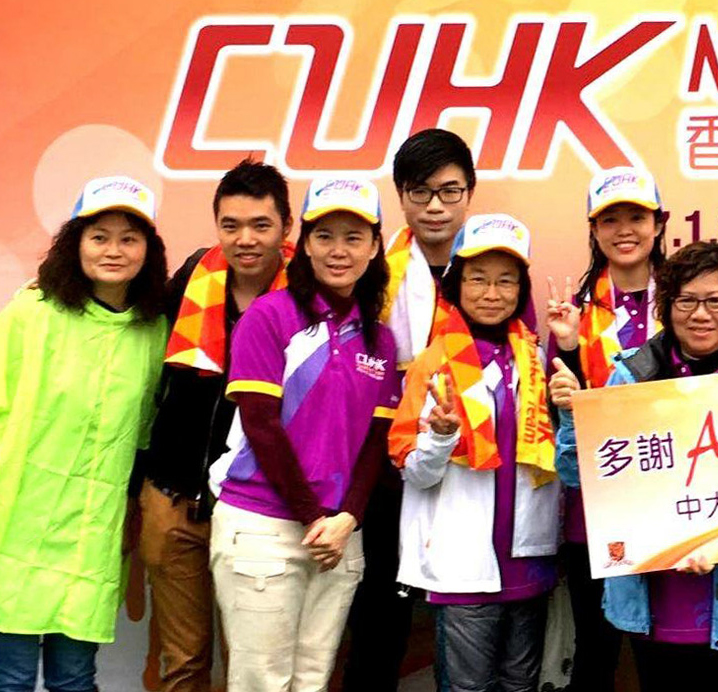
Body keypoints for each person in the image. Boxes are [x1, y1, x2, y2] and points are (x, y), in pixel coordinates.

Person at [546, 167, 718, 691]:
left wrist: (717, 536)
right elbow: (581, 467)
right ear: (668, 307)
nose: (701, 314)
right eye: (687, 302)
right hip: (632, 552)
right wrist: (572, 410)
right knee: (612, 663)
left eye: (716, 302)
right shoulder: (616, 351)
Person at [208, 177, 400, 692]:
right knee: (261, 683)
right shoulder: (270, 316)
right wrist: (315, 518)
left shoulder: (380, 338)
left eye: (354, 237)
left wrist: (347, 519)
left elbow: (375, 442)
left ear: (375, 245)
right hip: (263, 528)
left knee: (313, 681)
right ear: (306, 243)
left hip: (338, 536)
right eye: (325, 236)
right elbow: (262, 426)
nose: (339, 251)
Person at [0, 177, 168, 692]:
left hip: (91, 534)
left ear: (148, 251)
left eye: (128, 238)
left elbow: (143, 433)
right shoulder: (33, 311)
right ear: (75, 243)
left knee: (75, 678)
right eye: (99, 236)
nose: (113, 250)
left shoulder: (152, 328)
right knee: (11, 677)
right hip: (16, 523)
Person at [138, 159, 293, 692]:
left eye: (260, 225)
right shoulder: (188, 280)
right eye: (231, 225)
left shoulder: (311, 302)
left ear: (286, 229)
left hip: (257, 513)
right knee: (181, 662)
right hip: (171, 499)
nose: (244, 239)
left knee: (253, 667)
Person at [390, 214, 560, 692]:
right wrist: (441, 438)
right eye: (478, 279)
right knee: (466, 689)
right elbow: (413, 471)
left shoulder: (537, 357)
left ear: (521, 289)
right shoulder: (431, 362)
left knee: (520, 685)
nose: (491, 293)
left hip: (528, 555)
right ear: (456, 285)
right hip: (463, 564)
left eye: (505, 281)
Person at [346, 128, 476, 689]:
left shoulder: (493, 270)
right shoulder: (373, 272)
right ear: (400, 195)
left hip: (467, 463)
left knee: (467, 613)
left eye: (450, 191)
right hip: (381, 462)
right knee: (379, 612)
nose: (436, 207)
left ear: (470, 192)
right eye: (421, 192)